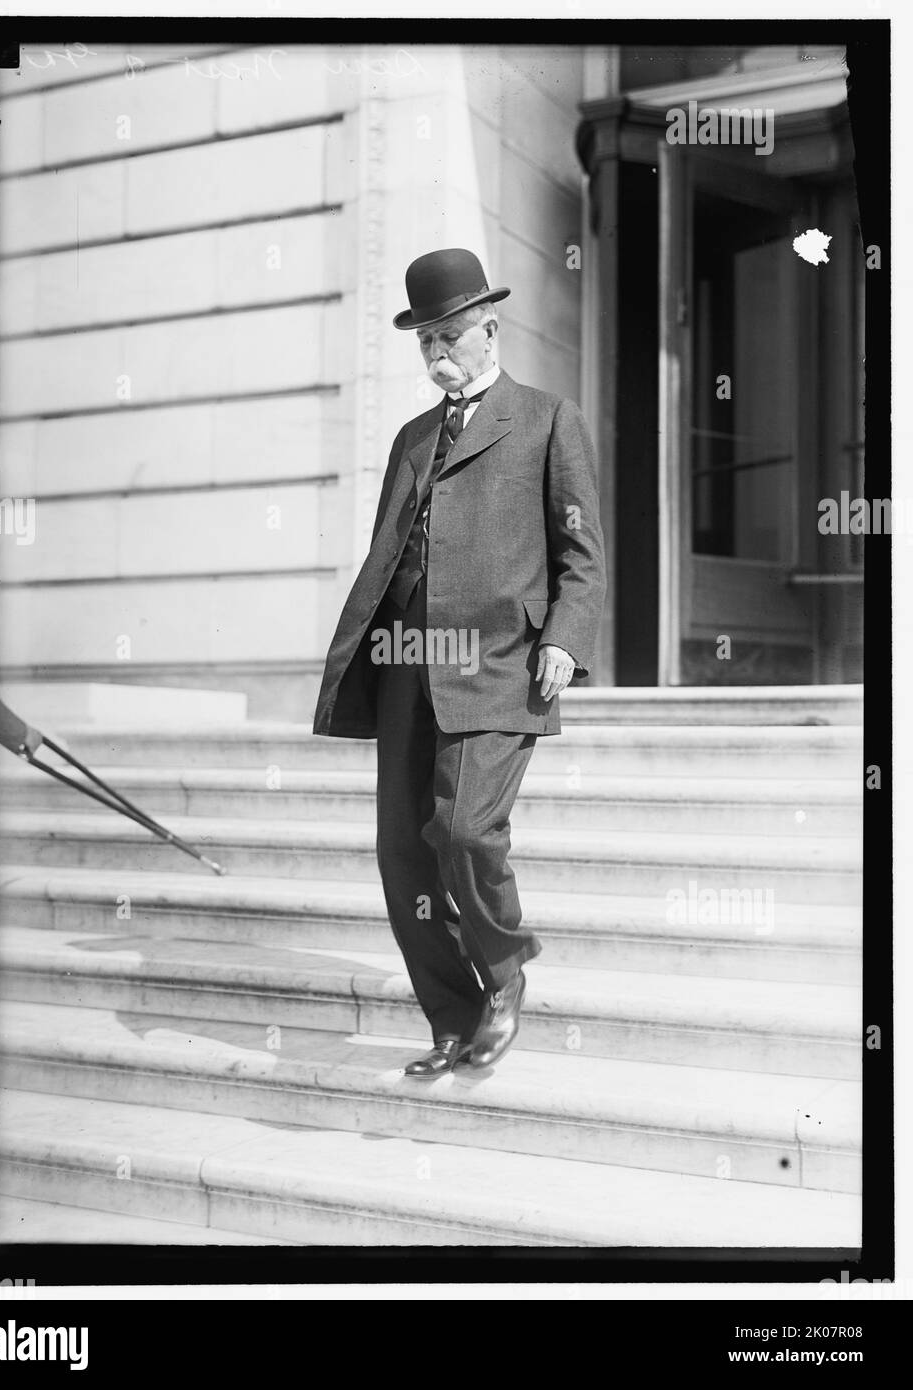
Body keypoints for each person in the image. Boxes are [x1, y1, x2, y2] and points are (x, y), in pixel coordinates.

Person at [313, 248, 606, 1076]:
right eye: (425, 343)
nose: (439, 356)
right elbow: (388, 553)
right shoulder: (412, 438)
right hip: (408, 662)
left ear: (490, 327)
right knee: (404, 852)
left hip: (501, 662)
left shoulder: (548, 418)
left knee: (465, 829)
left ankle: (506, 968)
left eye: (451, 338)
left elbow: (582, 551)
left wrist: (564, 638)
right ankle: (453, 1015)